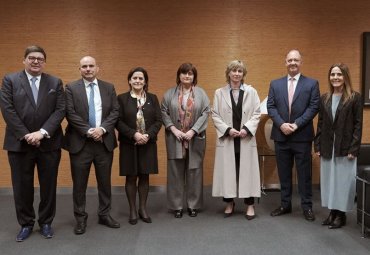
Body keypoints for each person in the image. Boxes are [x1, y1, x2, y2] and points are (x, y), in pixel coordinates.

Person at [0, 45, 65, 241]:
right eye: (31, 58)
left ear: (44, 62)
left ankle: (46, 222)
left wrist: (42, 133)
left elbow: (60, 110)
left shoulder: (55, 82)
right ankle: (26, 224)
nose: (35, 61)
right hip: (19, 144)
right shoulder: (10, 80)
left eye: (39, 58)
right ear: (24, 60)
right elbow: (7, 109)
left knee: (48, 186)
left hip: (48, 143)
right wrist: (27, 135)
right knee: (22, 186)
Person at [64, 56, 120, 235]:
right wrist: (89, 131)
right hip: (80, 144)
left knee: (105, 182)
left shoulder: (108, 87)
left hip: (103, 143)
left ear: (97, 68)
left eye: (91, 66)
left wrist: (102, 129)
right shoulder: (71, 88)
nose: (88, 69)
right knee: (79, 185)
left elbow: (115, 112)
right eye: (84, 66)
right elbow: (70, 114)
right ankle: (80, 219)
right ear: (79, 69)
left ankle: (104, 214)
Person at [267, 49, 320, 221]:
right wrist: (282, 124)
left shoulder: (311, 84)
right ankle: (285, 204)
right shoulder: (275, 84)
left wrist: (295, 125)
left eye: (296, 60)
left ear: (301, 62)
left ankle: (307, 207)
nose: (292, 63)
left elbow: (313, 107)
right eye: (290, 60)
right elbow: (271, 107)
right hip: (281, 135)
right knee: (284, 173)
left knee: (304, 174)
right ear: (285, 62)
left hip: (302, 136)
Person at [314, 63, 363, 229]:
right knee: (329, 181)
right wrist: (318, 145)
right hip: (328, 146)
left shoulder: (355, 98)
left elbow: (358, 125)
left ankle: (341, 214)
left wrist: (354, 148)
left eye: (339, 74)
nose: (335, 77)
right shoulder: (324, 98)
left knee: (342, 182)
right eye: (333, 74)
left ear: (345, 77)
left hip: (345, 148)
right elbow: (320, 123)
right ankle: (332, 212)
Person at [212, 60, 261, 220]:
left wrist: (246, 129)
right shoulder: (219, 93)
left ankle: (250, 205)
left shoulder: (251, 92)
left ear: (243, 74)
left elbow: (257, 113)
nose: (236, 74)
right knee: (228, 172)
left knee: (248, 172)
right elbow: (215, 115)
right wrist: (228, 130)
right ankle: (229, 203)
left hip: (245, 138)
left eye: (240, 71)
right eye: (234, 71)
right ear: (228, 73)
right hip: (229, 138)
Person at [161, 63, 210, 218]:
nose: (187, 76)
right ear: (179, 76)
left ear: (194, 76)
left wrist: (193, 131)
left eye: (190, 74)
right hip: (175, 138)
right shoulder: (169, 94)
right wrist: (173, 129)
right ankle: (177, 206)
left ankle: (193, 205)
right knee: (175, 172)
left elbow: (206, 112)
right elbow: (163, 112)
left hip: (195, 138)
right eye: (184, 73)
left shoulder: (201, 94)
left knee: (194, 171)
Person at [116, 67, 162, 225]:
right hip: (129, 143)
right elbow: (118, 121)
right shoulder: (121, 99)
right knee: (131, 177)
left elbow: (158, 120)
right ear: (129, 80)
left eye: (141, 78)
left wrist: (147, 135)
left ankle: (143, 208)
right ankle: (132, 210)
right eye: (134, 78)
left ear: (145, 81)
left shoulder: (153, 98)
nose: (137, 81)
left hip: (148, 144)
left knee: (144, 176)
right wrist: (133, 134)